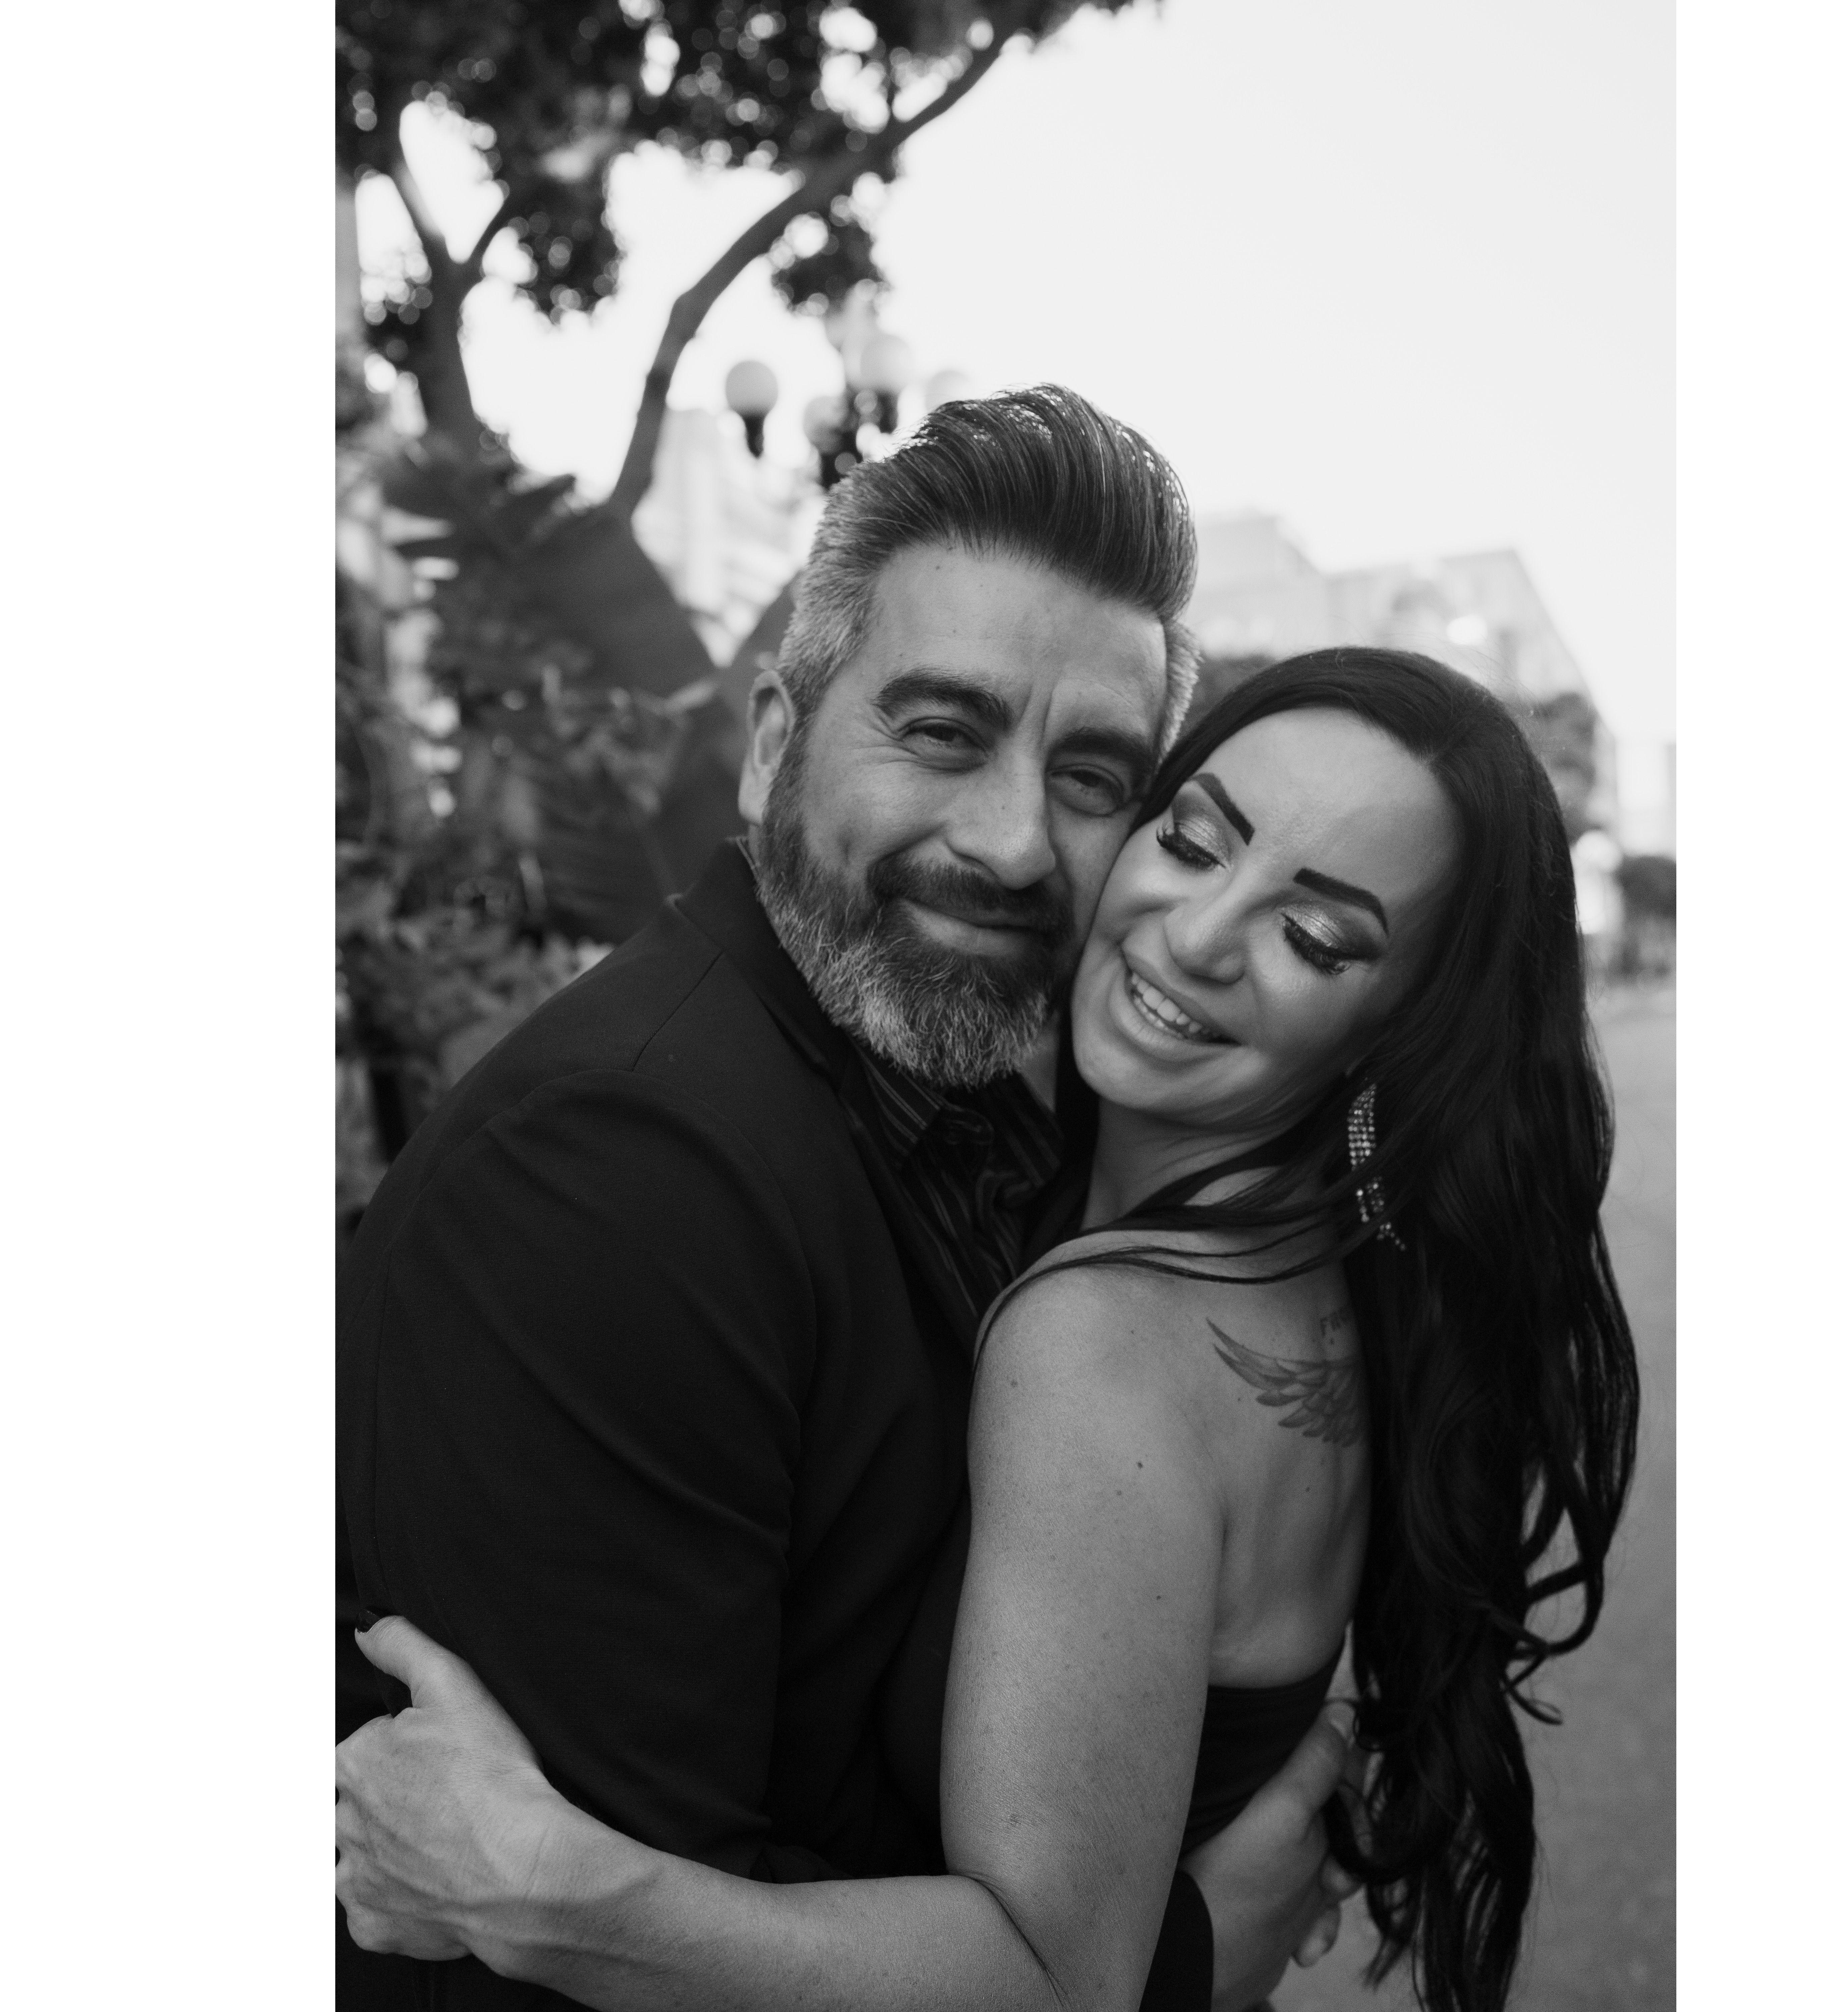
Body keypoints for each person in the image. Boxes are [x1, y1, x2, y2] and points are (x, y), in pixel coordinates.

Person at [338, 648, 1640, 2012]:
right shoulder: (1319, 1277)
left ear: (1400, 1031)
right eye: (1194, 842)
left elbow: (1056, 1980)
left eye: (1315, 939)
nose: (1199, 936)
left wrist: (552, 1898)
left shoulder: (1105, 1343)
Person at [336, 386, 1358, 2012]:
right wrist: (1177, 1960)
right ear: (771, 745)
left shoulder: (1021, 1098)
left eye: (1094, 776)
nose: (1013, 844)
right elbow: (572, 1961)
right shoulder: (617, 1174)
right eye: (942, 732)